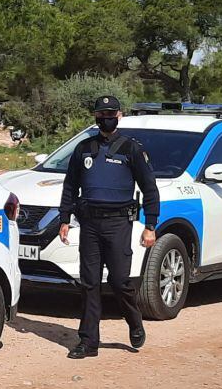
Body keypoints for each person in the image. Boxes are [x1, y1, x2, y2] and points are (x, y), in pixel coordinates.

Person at [57, 95, 160, 359]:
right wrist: (64, 219)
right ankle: (88, 342)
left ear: (120, 115)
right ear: (95, 116)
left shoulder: (131, 149)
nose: (106, 118)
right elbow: (70, 186)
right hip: (89, 223)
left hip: (117, 223)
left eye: (110, 113)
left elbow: (149, 189)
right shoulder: (83, 149)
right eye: (102, 114)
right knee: (89, 282)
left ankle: (134, 321)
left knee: (118, 281)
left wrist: (151, 225)